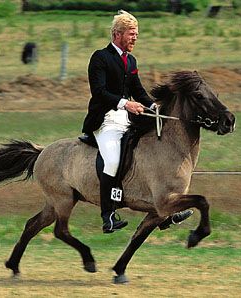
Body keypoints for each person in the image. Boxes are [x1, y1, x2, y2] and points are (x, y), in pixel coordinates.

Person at [82, 10, 191, 233]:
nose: (135, 38)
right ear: (116, 34)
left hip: (127, 120)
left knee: (153, 154)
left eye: (137, 35)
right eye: (131, 34)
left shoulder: (131, 61)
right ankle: (108, 215)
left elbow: (138, 91)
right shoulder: (100, 58)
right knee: (112, 160)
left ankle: (166, 209)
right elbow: (99, 92)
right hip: (105, 121)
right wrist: (125, 103)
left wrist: (153, 106)